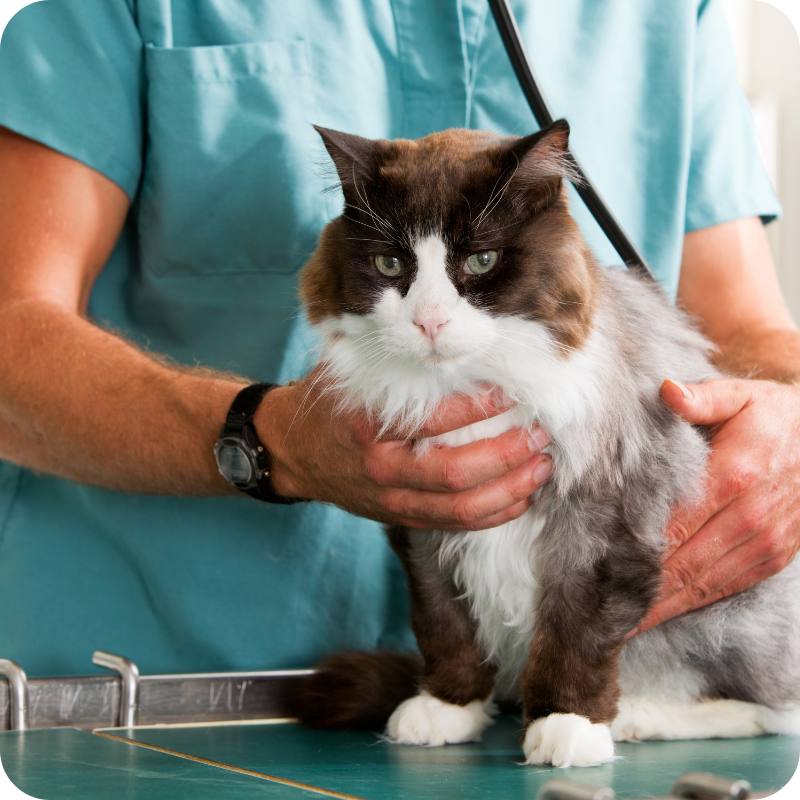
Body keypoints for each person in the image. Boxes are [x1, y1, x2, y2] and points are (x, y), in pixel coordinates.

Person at [0, 0, 797, 678]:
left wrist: (789, 425)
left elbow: (744, 328)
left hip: (546, 704)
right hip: (161, 696)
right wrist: (272, 440)